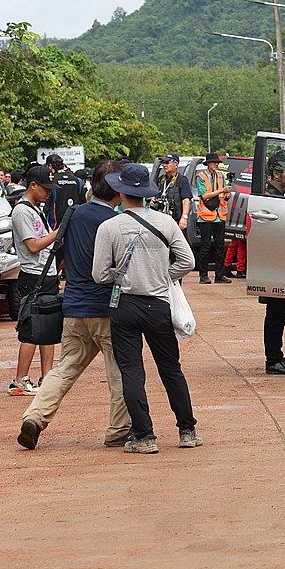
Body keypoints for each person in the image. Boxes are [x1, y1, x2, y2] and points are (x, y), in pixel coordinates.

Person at [18, 159, 133, 450]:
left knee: (65, 368)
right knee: (118, 371)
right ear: (118, 191)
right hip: (106, 307)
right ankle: (118, 429)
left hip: (73, 305)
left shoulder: (73, 214)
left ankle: (34, 417)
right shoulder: (115, 223)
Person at [92, 163, 200, 454]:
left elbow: (99, 275)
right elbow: (188, 262)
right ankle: (187, 431)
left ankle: (144, 436)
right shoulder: (165, 222)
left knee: (131, 371)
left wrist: (122, 275)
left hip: (125, 306)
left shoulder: (109, 227)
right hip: (158, 304)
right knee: (170, 368)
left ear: (120, 191)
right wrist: (166, 275)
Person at [8, 165, 62, 395]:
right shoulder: (22, 212)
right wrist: (57, 234)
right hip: (33, 275)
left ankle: (47, 376)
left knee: (47, 327)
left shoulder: (36, 209)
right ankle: (20, 379)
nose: (49, 193)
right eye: (46, 188)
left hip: (46, 274)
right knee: (32, 328)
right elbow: (32, 245)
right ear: (33, 186)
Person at [258, 153, 285, 375]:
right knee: (277, 312)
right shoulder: (270, 198)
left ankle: (275, 357)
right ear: (275, 174)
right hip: (273, 264)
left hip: (278, 262)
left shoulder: (283, 194)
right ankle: (273, 359)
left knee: (280, 312)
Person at [194, 152, 232, 284]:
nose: (216, 164)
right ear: (208, 164)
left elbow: (224, 195)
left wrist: (227, 194)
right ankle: (203, 275)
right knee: (205, 246)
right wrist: (222, 191)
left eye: (217, 162)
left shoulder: (221, 176)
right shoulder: (201, 176)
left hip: (219, 215)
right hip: (205, 216)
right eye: (214, 162)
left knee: (220, 246)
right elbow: (204, 196)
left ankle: (219, 275)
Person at [156, 153, 193, 233]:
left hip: (176, 220)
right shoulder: (160, 180)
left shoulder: (182, 180)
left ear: (176, 164)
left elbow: (186, 200)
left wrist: (184, 218)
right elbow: (156, 196)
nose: (164, 165)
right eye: (163, 163)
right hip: (162, 220)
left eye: (167, 162)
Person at [45, 153, 83, 229]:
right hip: (75, 221)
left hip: (56, 225)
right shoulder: (77, 180)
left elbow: (48, 204)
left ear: (50, 166)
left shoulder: (51, 181)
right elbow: (82, 202)